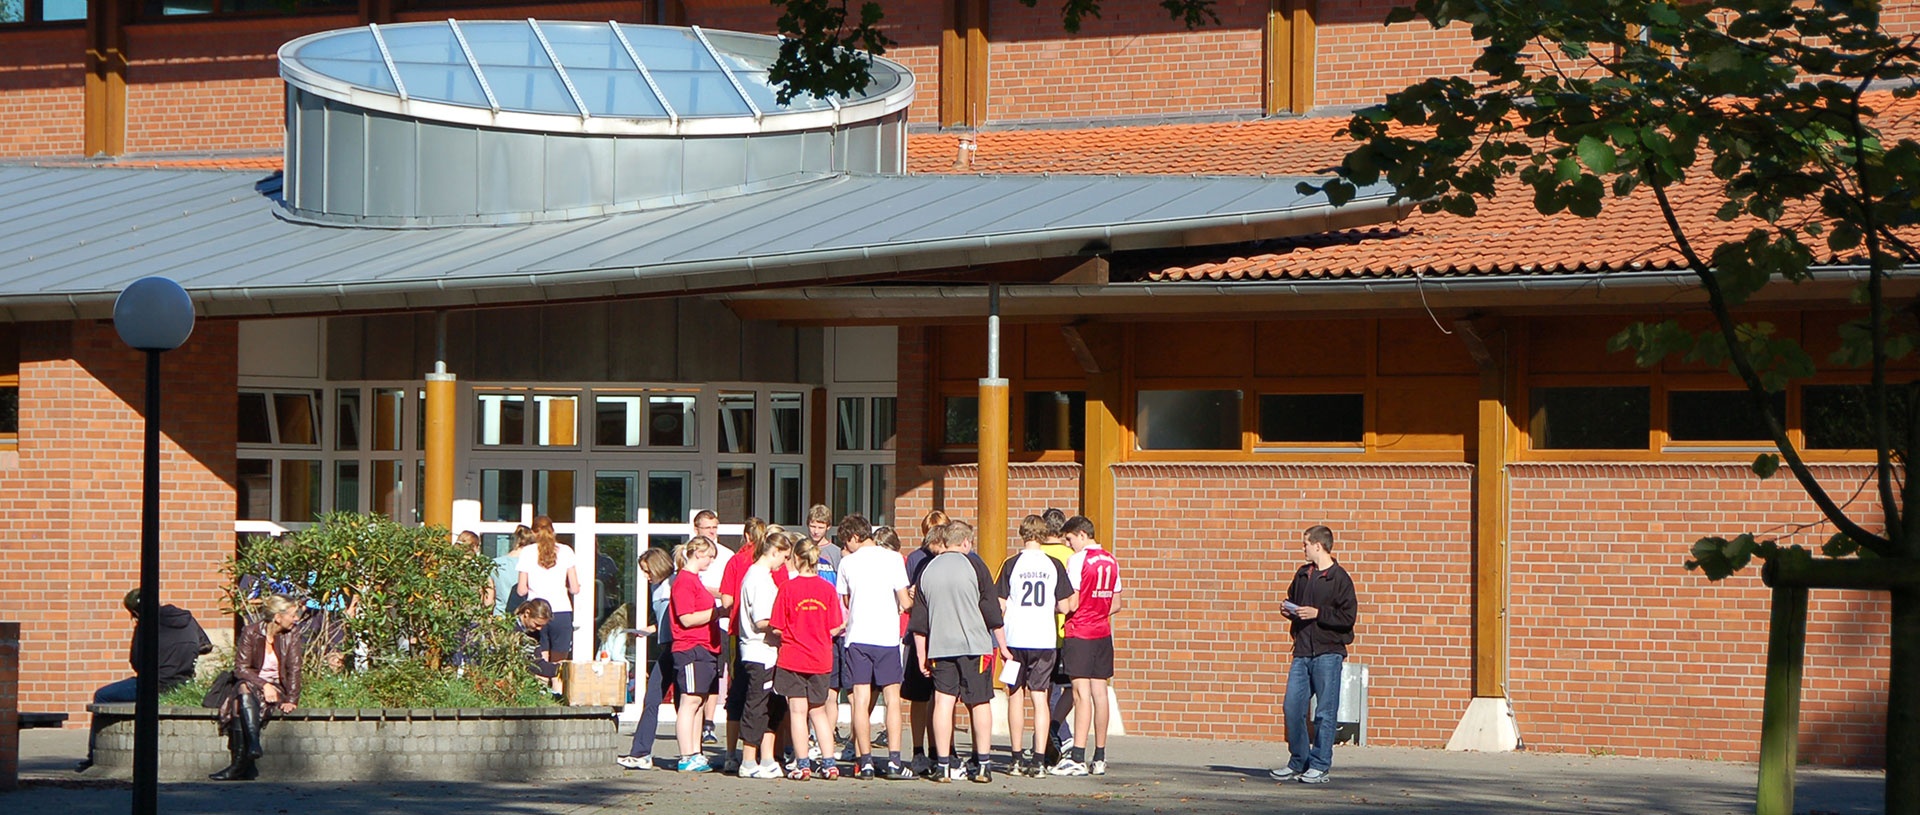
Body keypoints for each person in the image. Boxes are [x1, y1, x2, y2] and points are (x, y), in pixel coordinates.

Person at [908, 520, 1006, 784]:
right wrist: (1004, 646)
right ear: (965, 542)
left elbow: (919, 620)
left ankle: (941, 766)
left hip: (940, 647)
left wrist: (921, 654)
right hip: (976, 646)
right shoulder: (975, 565)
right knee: (980, 702)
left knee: (943, 701)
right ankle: (983, 764)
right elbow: (991, 611)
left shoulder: (928, 569)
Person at [77, 588, 212, 773]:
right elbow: (206, 646)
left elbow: (137, 662)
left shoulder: (146, 624)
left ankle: (94, 756)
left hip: (154, 685)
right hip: (184, 683)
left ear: (135, 612)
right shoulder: (187, 618)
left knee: (102, 695)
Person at [1272, 524, 1358, 785]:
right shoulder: (1302, 574)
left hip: (1328, 653)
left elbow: (1348, 618)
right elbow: (1292, 599)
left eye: (1306, 543)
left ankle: (1320, 765)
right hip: (1302, 652)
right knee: (1292, 707)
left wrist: (1318, 613)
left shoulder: (1339, 578)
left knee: (1324, 712)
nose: (1303, 548)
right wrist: (1289, 610)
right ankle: (1298, 760)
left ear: (1318, 546)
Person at [836, 513, 913, 779]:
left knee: (860, 699)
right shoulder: (893, 558)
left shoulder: (847, 563)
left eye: (848, 540)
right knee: (892, 700)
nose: (847, 546)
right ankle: (894, 761)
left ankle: (865, 760)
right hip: (887, 637)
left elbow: (845, 601)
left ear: (855, 537)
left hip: (857, 636)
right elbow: (905, 601)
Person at [998, 516, 1076, 778]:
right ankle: (1040, 760)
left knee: (1015, 695)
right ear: (1043, 535)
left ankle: (1016, 758)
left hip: (1015, 637)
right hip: (1044, 638)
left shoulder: (1011, 564)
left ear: (1022, 535)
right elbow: (1065, 606)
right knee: (1040, 698)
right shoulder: (1053, 564)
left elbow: (1000, 604)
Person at [771, 534, 847, 781]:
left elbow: (776, 626)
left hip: (793, 657)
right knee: (819, 713)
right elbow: (836, 626)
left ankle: (802, 764)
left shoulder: (787, 588)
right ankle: (829, 763)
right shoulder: (827, 589)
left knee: (797, 711)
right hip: (820, 658)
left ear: (795, 558)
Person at [1052, 515, 1121, 777]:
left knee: (1080, 693)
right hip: (1102, 632)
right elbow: (1116, 603)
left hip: (1080, 632)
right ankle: (1100, 756)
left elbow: (1072, 602)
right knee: (1100, 692)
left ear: (1082, 534)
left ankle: (1077, 756)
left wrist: (1057, 605)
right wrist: (1098, 612)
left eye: (1070, 539)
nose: (1069, 545)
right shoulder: (1111, 559)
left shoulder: (1079, 560)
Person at [209, 593, 304, 782]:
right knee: (243, 688)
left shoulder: (291, 635)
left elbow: (294, 669)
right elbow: (241, 668)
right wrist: (264, 684)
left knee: (239, 699)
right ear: (278, 617)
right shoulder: (251, 632)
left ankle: (239, 764)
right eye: (293, 614)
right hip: (253, 684)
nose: (296, 619)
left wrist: (292, 699)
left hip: (277, 687)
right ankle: (251, 746)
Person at [735, 529, 793, 778]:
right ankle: (748, 760)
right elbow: (761, 621)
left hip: (769, 652)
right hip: (759, 651)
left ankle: (768, 758)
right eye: (784, 556)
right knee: (756, 705)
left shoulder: (764, 576)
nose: (785, 562)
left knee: (774, 704)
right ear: (775, 551)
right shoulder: (757, 578)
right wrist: (788, 629)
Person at [618, 547, 677, 771]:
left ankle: (642, 751)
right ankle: (642, 751)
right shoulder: (658, 587)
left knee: (666, 699)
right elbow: (664, 621)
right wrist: (648, 630)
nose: (646, 575)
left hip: (676, 647)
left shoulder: (672, 584)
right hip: (668, 646)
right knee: (659, 698)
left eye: (647, 570)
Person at [718, 516, 768, 773]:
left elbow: (727, 601)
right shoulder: (771, 562)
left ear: (746, 536)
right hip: (770, 637)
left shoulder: (736, 561)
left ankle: (730, 754)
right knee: (764, 695)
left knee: (737, 693)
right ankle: (766, 754)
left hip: (740, 632)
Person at [669, 537, 723, 773]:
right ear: (698, 553)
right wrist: (717, 612)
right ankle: (686, 755)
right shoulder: (684, 581)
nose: (711, 560)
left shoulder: (695, 581)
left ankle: (695, 752)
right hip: (690, 647)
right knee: (689, 701)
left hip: (705, 648)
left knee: (698, 702)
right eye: (710, 556)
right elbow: (687, 618)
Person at [901, 512, 948, 776]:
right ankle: (918, 751)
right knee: (918, 697)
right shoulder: (916, 558)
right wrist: (909, 595)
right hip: (920, 633)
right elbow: (905, 597)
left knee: (944, 696)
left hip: (945, 635)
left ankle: (942, 750)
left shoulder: (955, 559)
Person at [805, 504, 846, 746]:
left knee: (831, 689)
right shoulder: (802, 549)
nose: (816, 531)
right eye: (812, 526)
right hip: (807, 622)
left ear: (828, 527)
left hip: (830, 624)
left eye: (820, 527)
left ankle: (826, 735)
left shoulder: (835, 554)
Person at [692, 510, 732, 748]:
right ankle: (695, 721)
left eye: (715, 527)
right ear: (696, 529)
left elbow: (728, 590)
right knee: (699, 672)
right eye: (708, 528)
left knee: (717, 671)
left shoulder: (726, 554)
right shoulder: (687, 552)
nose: (712, 532)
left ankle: (709, 722)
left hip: (721, 620)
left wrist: (708, 590)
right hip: (697, 620)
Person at [1038, 508, 1075, 766]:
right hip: (1066, 629)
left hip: (1038, 633)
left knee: (1044, 690)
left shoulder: (1034, 555)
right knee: (1072, 687)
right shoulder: (1072, 556)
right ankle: (1057, 731)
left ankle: (1048, 738)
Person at [517, 516, 580, 666]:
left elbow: (521, 590)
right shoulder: (566, 551)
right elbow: (575, 588)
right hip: (561, 611)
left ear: (533, 532)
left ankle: (541, 689)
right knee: (558, 666)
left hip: (536, 612)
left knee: (540, 664)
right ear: (553, 531)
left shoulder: (527, 552)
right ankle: (557, 690)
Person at [515, 599, 560, 688]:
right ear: (527, 613)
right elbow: (533, 664)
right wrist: (559, 669)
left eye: (543, 626)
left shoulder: (533, 632)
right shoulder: (513, 631)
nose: (539, 628)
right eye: (537, 624)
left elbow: (536, 659)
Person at [494, 525, 534, 615]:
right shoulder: (533, 565)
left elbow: (488, 599)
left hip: (500, 616)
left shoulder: (495, 564)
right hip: (526, 616)